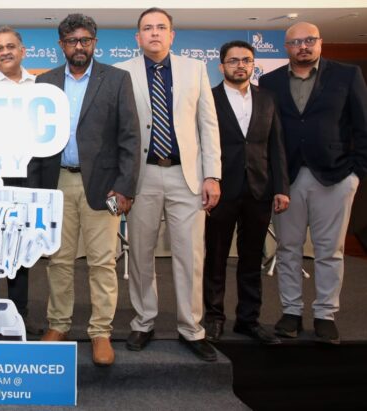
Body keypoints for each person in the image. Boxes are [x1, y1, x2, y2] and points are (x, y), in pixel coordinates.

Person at [32, 14, 141, 367]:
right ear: (61, 45)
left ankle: (101, 331)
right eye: (72, 41)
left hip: (105, 187)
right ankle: (58, 324)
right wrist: (36, 192)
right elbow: (35, 139)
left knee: (103, 262)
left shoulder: (117, 79)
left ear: (94, 42)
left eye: (85, 40)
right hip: (57, 183)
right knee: (59, 260)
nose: (79, 47)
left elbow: (130, 137)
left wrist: (124, 188)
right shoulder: (45, 82)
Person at [114, 7, 222, 362]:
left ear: (172, 35)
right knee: (140, 254)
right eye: (147, 28)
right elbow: (118, 131)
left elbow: (208, 125)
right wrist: (121, 181)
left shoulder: (195, 69)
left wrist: (212, 175)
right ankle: (143, 321)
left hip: (186, 177)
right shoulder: (121, 72)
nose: (155, 33)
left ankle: (191, 328)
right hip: (142, 177)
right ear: (138, 37)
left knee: (190, 255)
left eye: (161, 27)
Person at [259, 22, 367, 345]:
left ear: (320, 42)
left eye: (309, 40)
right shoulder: (269, 81)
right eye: (295, 42)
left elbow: (363, 126)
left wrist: (356, 174)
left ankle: (325, 314)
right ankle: (291, 311)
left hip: (335, 177)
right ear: (286, 47)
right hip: (287, 179)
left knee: (329, 251)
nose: (303, 46)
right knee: (288, 248)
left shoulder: (347, 76)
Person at [203, 41, 289, 345]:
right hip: (220, 190)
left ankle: (248, 320)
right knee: (215, 257)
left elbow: (276, 145)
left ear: (253, 65)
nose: (240, 65)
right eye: (233, 60)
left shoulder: (268, 98)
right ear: (221, 66)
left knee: (252, 258)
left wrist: (281, 188)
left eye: (246, 60)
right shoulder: (208, 98)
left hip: (259, 189)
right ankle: (214, 318)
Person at [0, 26, 39, 336]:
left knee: (20, 246)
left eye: (10, 46)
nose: (5, 52)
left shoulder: (40, 87)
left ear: (22, 51)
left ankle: (18, 312)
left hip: (30, 175)